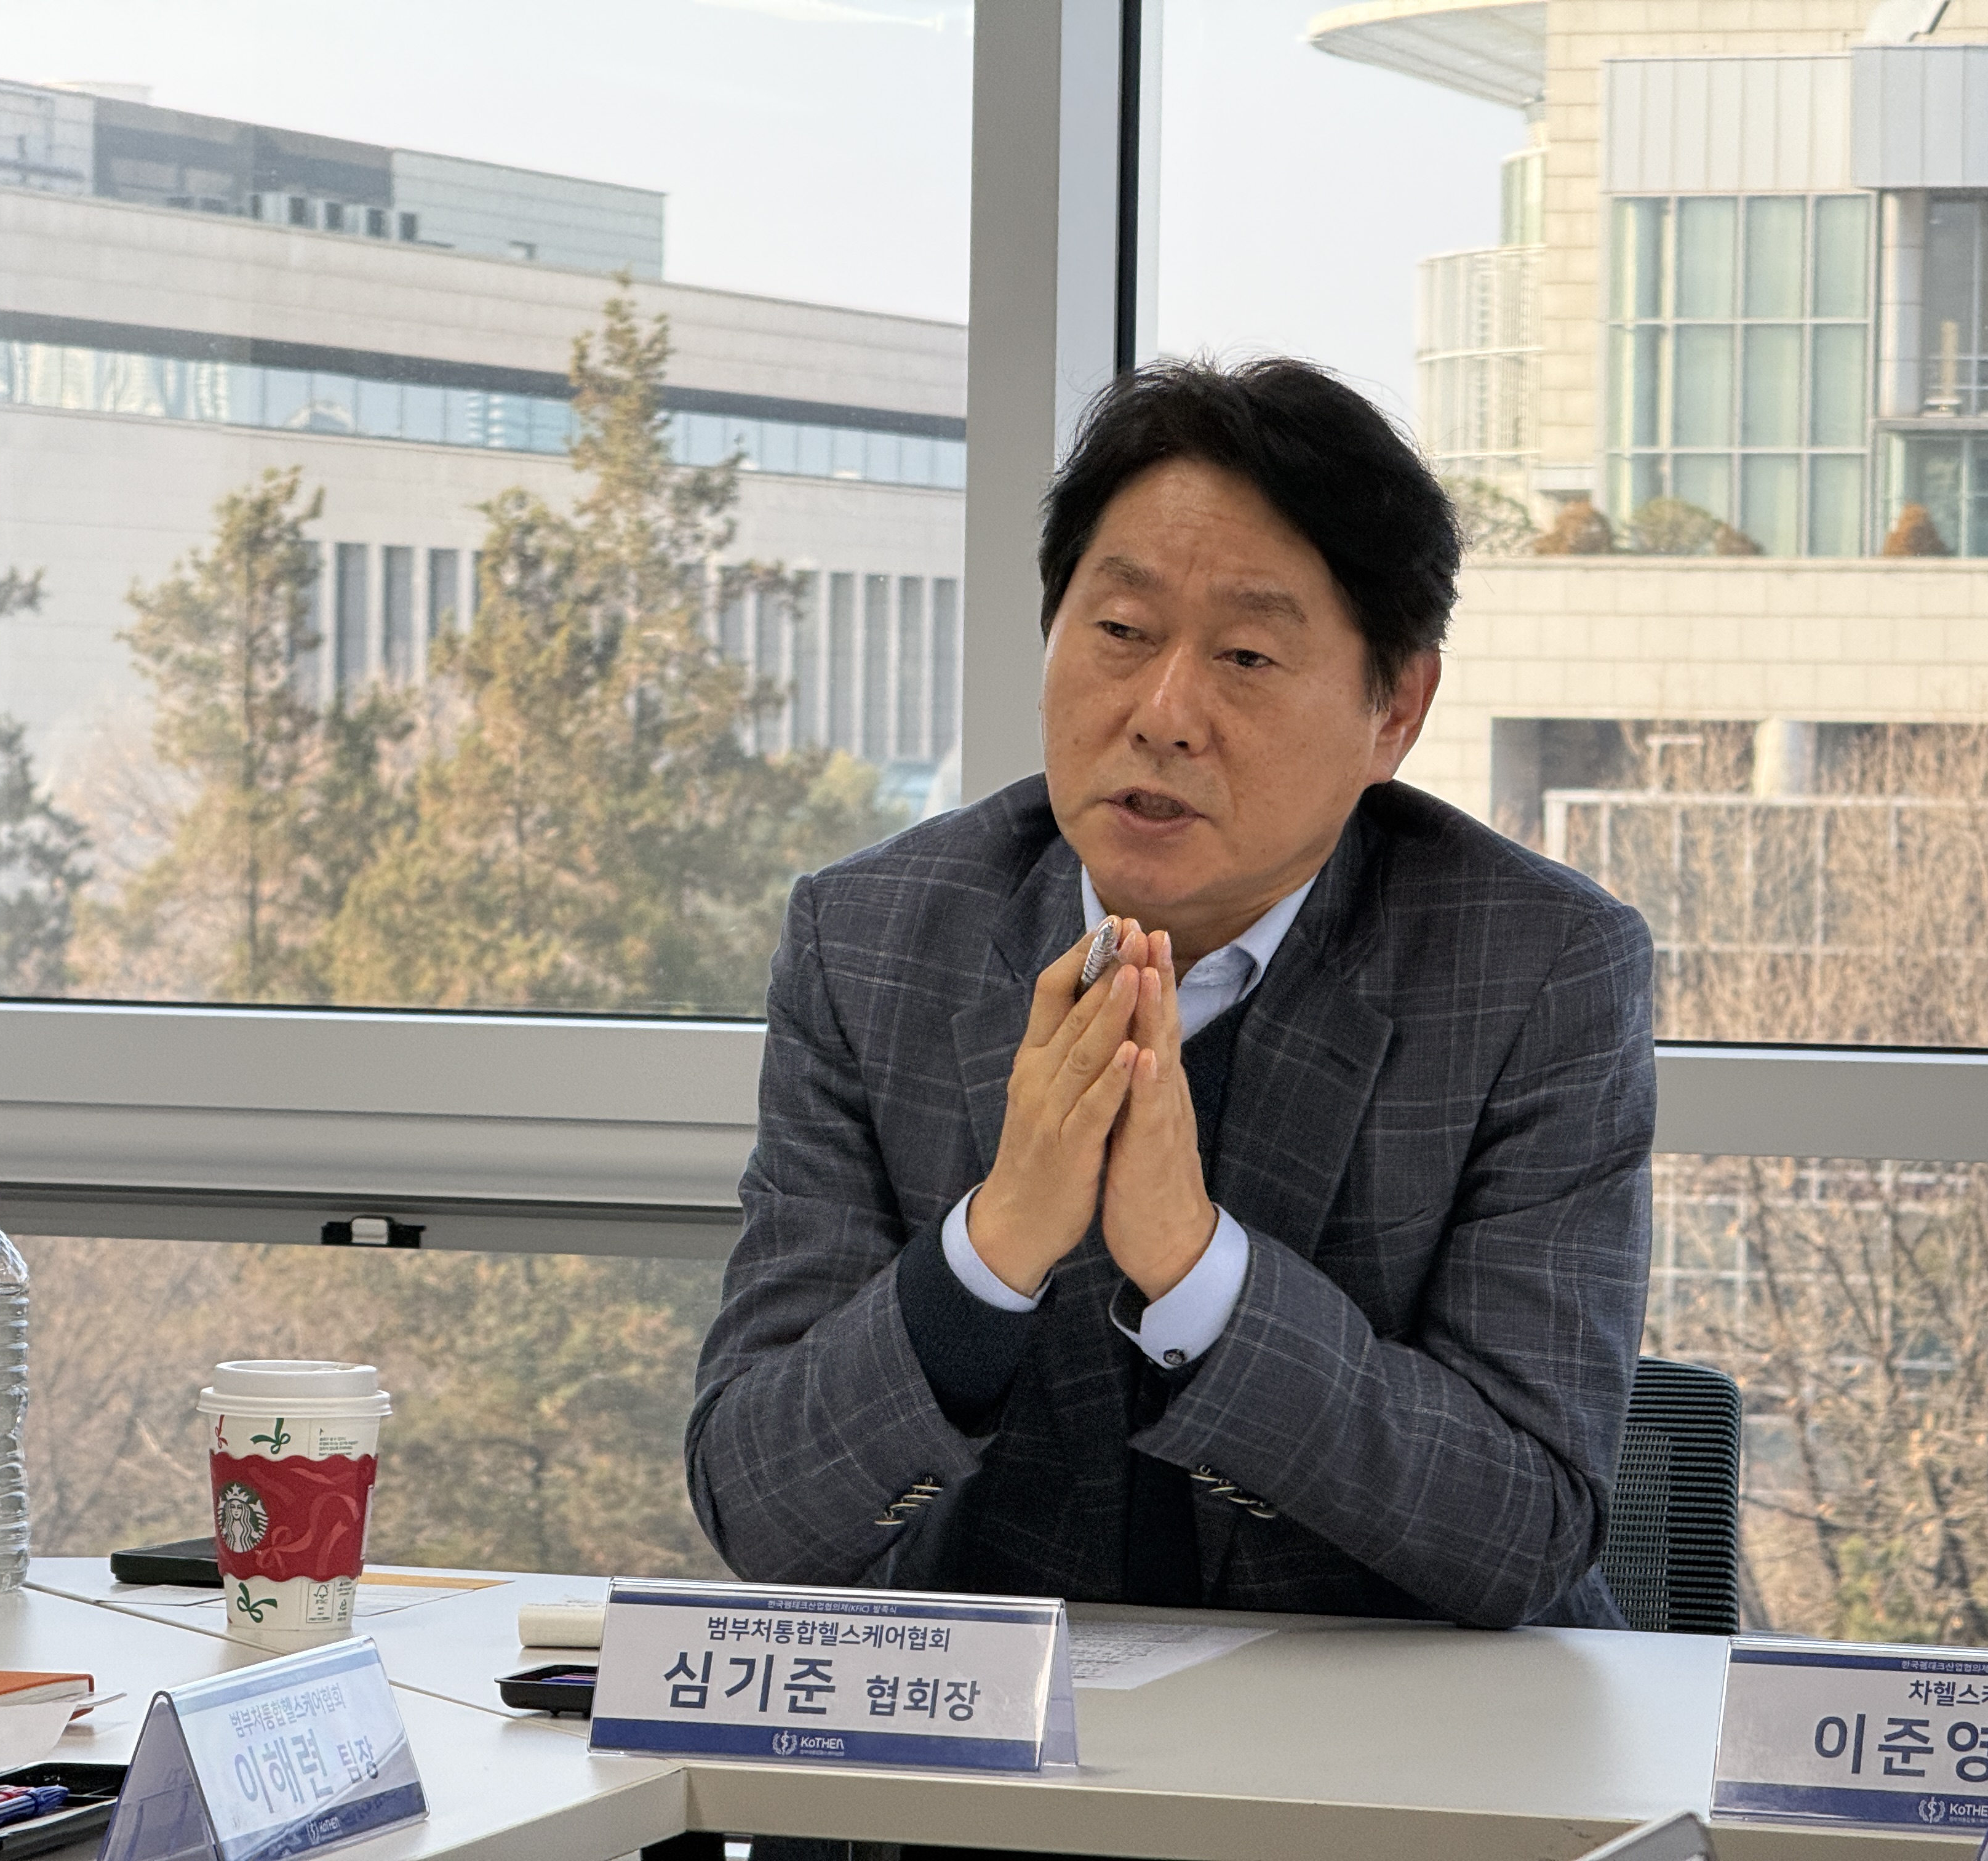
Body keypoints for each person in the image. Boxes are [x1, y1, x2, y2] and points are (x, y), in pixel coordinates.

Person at [687, 356, 1654, 1633]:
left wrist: (1199, 1269)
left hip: (1386, 1741)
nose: (1163, 713)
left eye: (1247, 654)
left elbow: (1526, 1528)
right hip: (1000, 1745)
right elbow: (759, 1504)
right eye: (1121, 633)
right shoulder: (871, 941)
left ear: (1396, 712)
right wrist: (994, 1244)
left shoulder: (1535, 966)